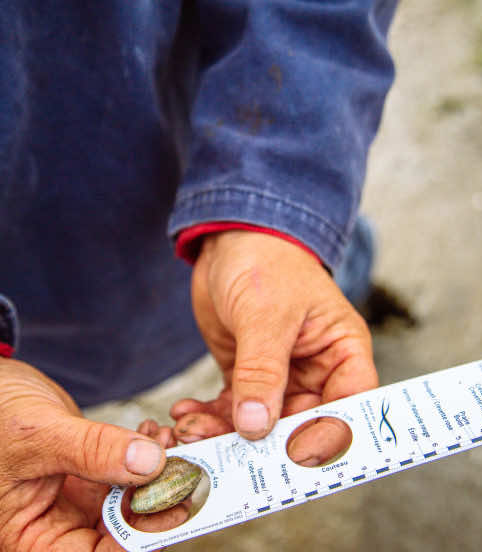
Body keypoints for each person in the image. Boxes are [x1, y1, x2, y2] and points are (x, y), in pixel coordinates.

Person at [0, 0, 398, 549]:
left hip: (212, 211)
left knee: (316, 284)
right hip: (42, 339)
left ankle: (349, 283)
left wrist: (271, 202)